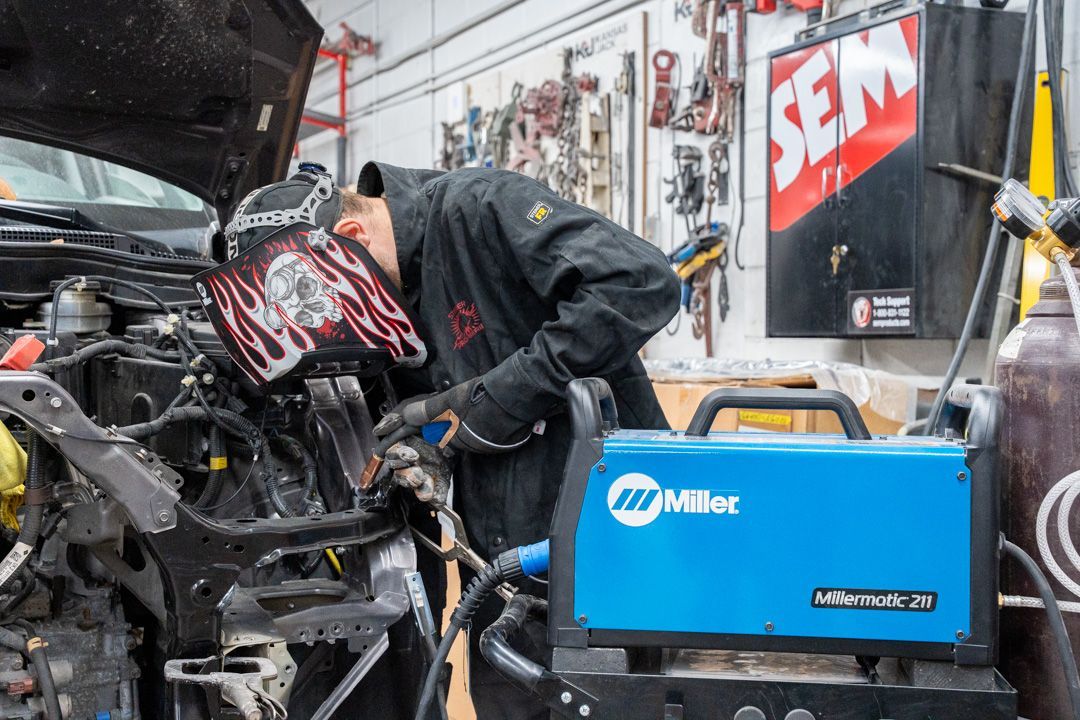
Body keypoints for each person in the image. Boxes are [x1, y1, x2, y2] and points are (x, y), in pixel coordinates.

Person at [225, 160, 680, 718]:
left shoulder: (482, 208)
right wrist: (428, 448)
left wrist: (497, 399)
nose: (338, 325)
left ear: (351, 239)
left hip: (617, 546)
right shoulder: (381, 297)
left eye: (332, 306)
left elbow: (640, 282)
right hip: (500, 591)